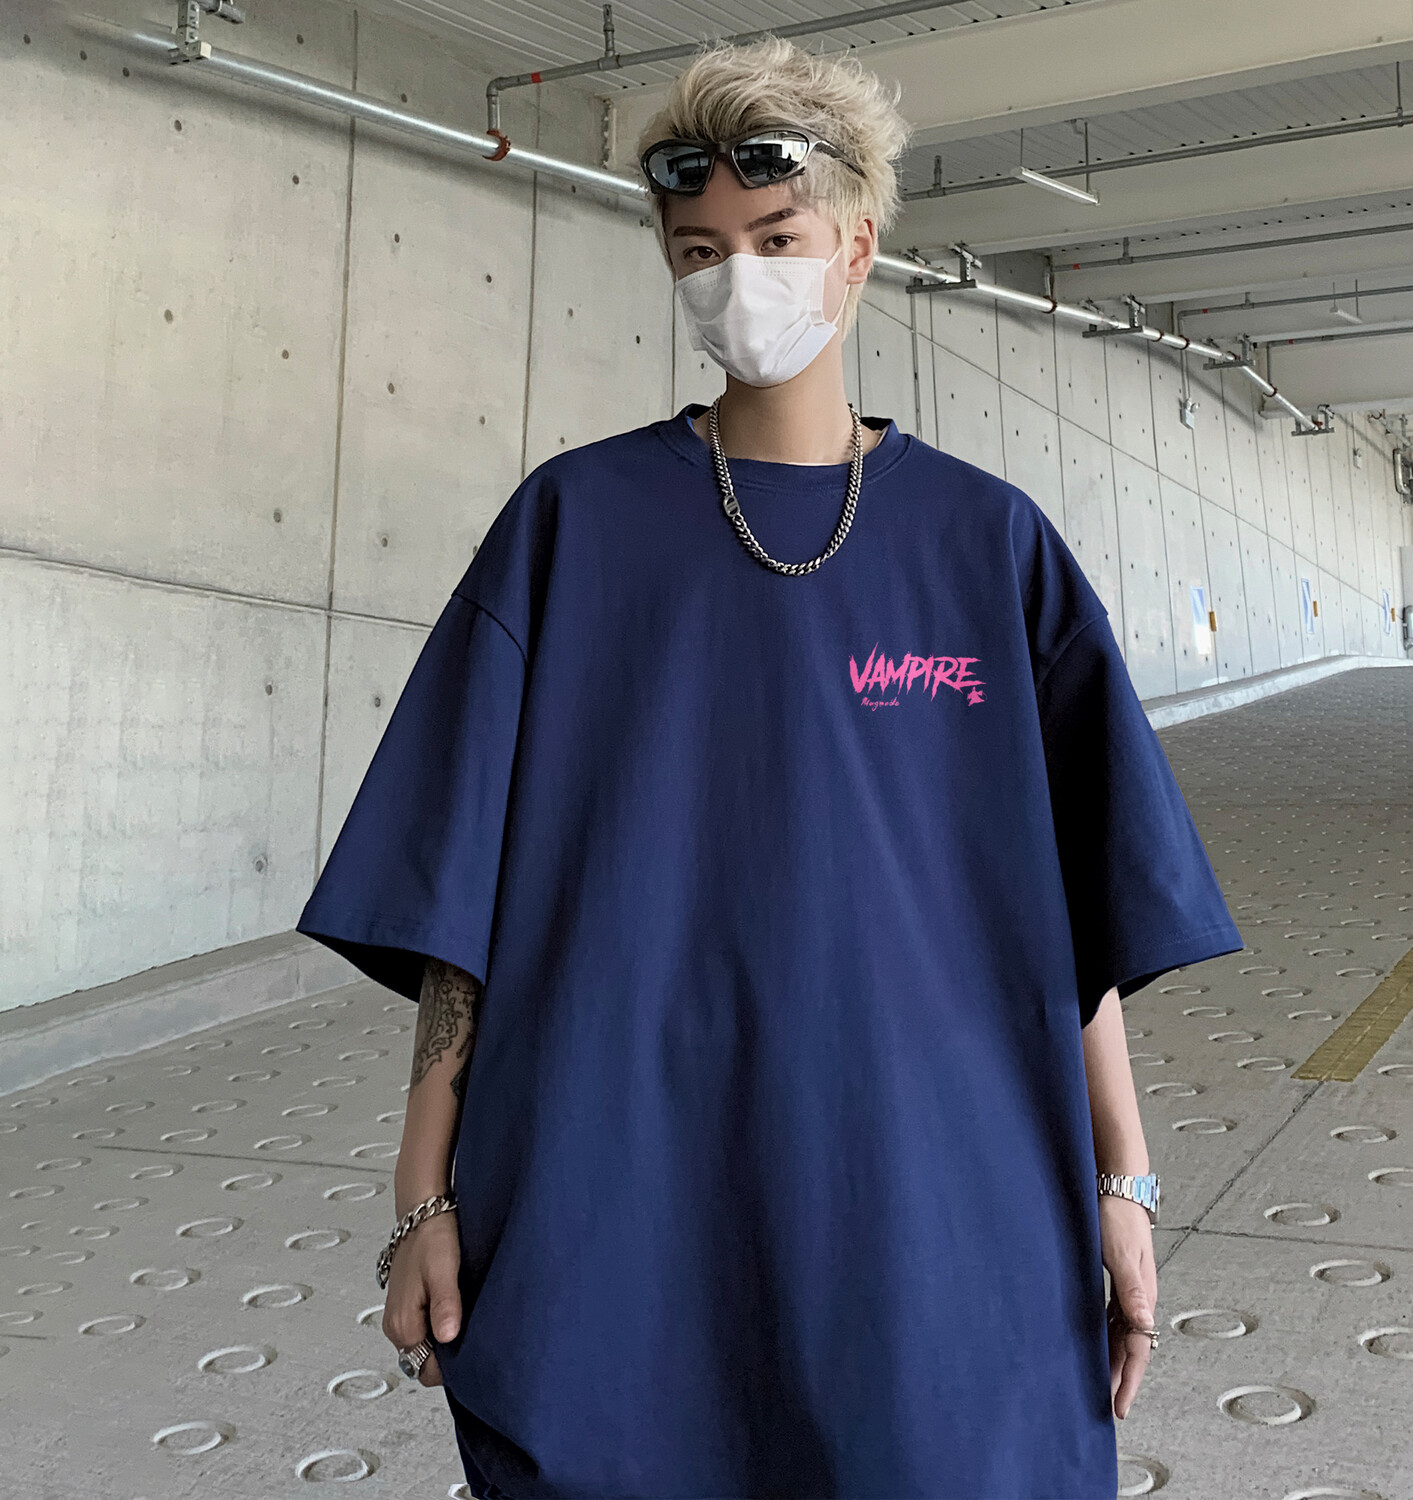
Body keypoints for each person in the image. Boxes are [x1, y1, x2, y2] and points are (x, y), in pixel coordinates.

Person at [296, 34, 1244, 1500]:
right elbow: (455, 902)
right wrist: (423, 1193)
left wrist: (1123, 1180)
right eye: (700, 249)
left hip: (937, 1204)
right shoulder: (573, 528)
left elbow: (1072, 914)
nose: (739, 276)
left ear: (857, 248)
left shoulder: (988, 547)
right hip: (628, 1197)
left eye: (778, 237)